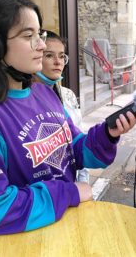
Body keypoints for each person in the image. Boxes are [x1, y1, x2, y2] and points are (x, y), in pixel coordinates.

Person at [0, 0, 136, 235]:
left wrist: (107, 135)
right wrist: (67, 193)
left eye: (41, 34)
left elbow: (75, 150)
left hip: (65, 230)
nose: (41, 45)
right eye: (28, 36)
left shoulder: (43, 92)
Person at [33, 31, 89, 183]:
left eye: (62, 56)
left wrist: (83, 181)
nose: (58, 62)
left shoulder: (68, 96)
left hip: (71, 183)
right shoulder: (23, 102)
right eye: (49, 55)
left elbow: (77, 138)